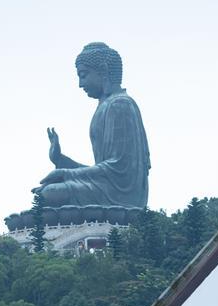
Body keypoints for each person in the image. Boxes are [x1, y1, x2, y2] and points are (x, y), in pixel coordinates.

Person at [35, 43, 150, 211]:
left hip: (122, 196)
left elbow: (119, 171)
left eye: (83, 75)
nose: (80, 84)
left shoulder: (120, 105)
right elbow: (103, 170)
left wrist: (67, 173)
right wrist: (60, 160)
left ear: (102, 70)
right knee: (48, 191)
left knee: (51, 193)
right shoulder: (106, 106)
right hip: (105, 186)